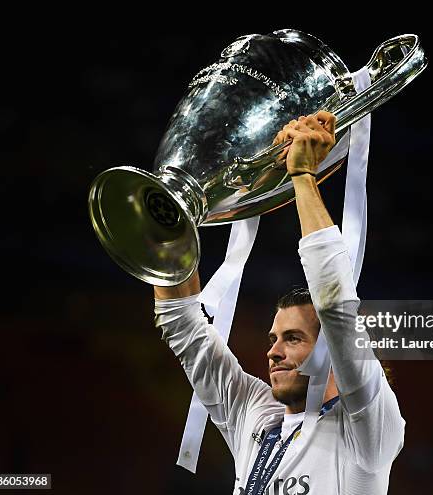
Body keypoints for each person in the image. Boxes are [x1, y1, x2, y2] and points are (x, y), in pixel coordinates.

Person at [153, 111, 405, 495]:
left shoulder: (368, 431)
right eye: (275, 338)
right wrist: (170, 220)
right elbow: (183, 326)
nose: (273, 352)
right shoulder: (257, 416)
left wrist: (302, 177)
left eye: (292, 338)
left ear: (332, 351)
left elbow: (337, 310)